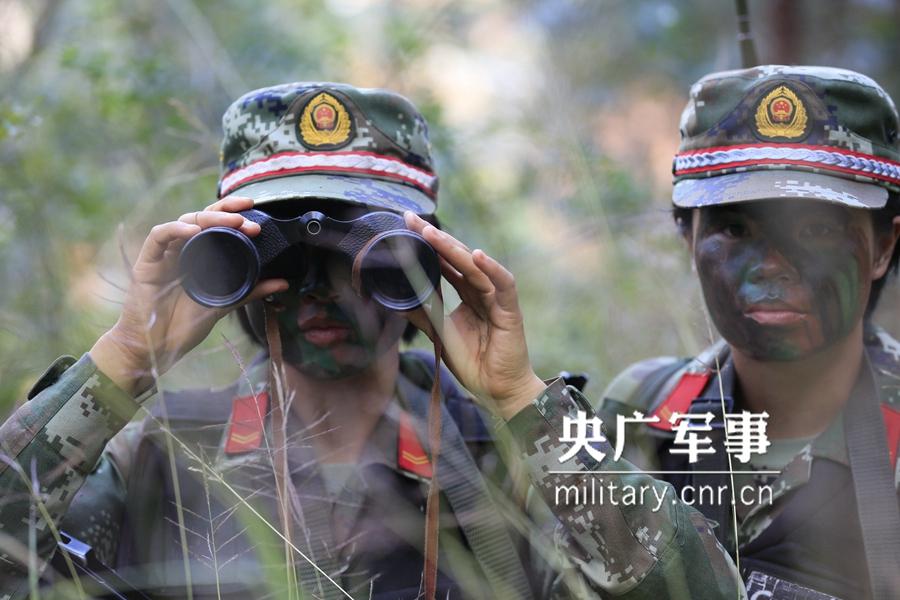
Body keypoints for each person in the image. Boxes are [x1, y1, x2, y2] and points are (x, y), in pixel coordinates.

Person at [0, 82, 742, 599]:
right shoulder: (162, 451)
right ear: (231, 256)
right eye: (287, 254)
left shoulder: (506, 454)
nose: (323, 288)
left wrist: (521, 400)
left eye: (366, 252)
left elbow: (698, 592)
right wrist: (122, 364)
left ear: (428, 259)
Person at [579, 66, 900, 599]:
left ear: (884, 247)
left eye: (816, 230)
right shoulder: (642, 411)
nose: (773, 265)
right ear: (687, 238)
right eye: (735, 228)